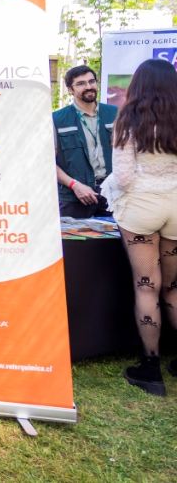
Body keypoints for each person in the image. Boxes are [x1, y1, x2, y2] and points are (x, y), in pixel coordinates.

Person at [103, 58, 177, 396]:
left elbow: (123, 177)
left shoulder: (128, 118)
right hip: (175, 206)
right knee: (173, 287)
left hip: (142, 208)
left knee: (147, 286)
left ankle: (150, 369)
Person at [53, 65, 117, 218]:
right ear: (70, 89)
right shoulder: (56, 119)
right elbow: (47, 162)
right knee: (76, 235)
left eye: (91, 81)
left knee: (115, 235)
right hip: (74, 198)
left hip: (112, 195)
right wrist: (74, 185)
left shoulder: (115, 113)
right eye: (81, 83)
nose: (88, 87)